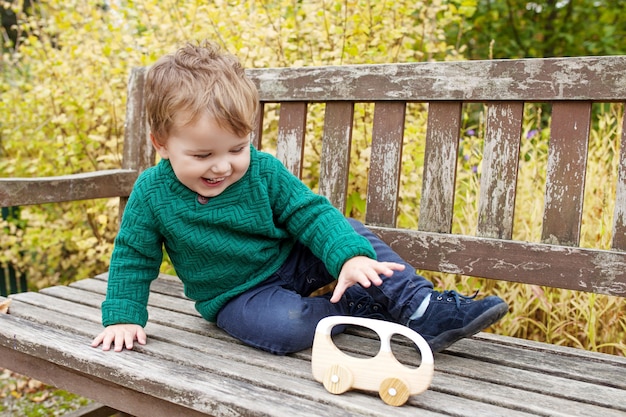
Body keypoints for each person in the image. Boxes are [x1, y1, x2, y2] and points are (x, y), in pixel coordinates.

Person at [91, 41, 508, 355]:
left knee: (349, 232)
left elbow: (310, 214)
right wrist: (123, 316)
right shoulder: (151, 193)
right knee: (287, 327)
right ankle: (355, 310)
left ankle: (419, 306)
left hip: (293, 261)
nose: (222, 167)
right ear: (161, 144)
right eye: (202, 155)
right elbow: (133, 256)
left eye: (237, 148)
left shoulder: (263, 171)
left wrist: (348, 257)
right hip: (238, 296)